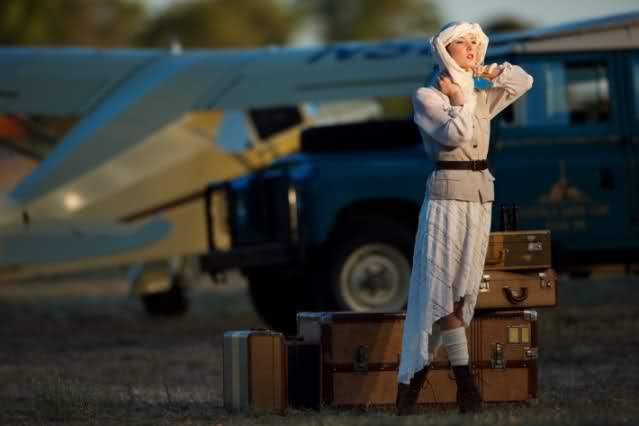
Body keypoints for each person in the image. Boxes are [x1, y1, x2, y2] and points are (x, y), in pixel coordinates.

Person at [395, 21, 533, 415]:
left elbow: (524, 81)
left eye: (476, 42)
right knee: (438, 294)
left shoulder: (481, 92)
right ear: (444, 50)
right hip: (446, 197)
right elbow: (454, 136)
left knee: (460, 294)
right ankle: (465, 386)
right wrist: (461, 97)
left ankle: (415, 391)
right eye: (462, 42)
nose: (471, 47)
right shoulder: (428, 96)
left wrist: (485, 74)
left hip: (480, 197)